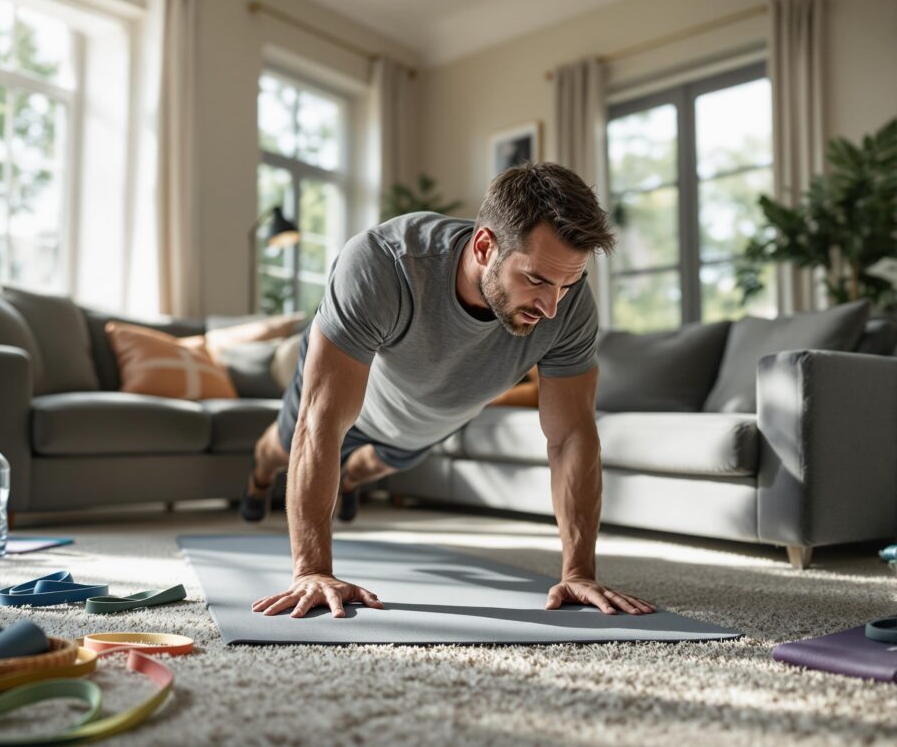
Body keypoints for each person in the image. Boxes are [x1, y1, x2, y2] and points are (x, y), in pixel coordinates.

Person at [242, 162, 656, 620]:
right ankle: (258, 482)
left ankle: (350, 482)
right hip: (351, 400)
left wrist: (578, 572)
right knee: (278, 450)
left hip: (428, 420)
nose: (552, 307)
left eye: (568, 283)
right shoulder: (384, 264)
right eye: (536, 280)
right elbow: (320, 422)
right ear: (484, 247)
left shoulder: (567, 305)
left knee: (371, 465)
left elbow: (571, 436)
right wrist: (312, 571)